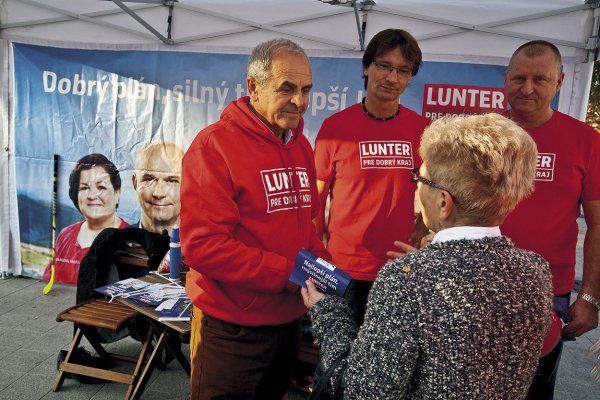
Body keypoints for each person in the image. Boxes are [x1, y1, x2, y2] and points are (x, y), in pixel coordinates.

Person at [303, 113, 554, 399]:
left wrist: (327, 310)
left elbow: (364, 391)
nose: (417, 186)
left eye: (421, 178)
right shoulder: (536, 271)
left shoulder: (407, 280)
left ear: (444, 202)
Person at [180, 38, 329, 399]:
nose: (300, 101)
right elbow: (203, 247)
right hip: (232, 329)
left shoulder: (300, 145)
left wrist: (326, 271)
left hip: (288, 324)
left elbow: (304, 229)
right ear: (253, 87)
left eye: (306, 89)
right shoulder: (214, 146)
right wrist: (289, 274)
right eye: (287, 88)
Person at [501, 40, 600, 399]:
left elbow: (598, 224)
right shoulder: (482, 134)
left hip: (546, 295)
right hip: (477, 286)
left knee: (533, 390)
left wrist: (588, 296)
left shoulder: (585, 140)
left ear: (559, 81)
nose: (528, 88)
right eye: (519, 78)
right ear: (505, 80)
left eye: (540, 79)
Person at [313, 28, 429, 327]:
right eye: (384, 66)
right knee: (337, 357)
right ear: (367, 67)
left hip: (399, 269)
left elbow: (443, 186)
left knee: (386, 366)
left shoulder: (422, 130)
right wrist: (315, 259)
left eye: (402, 70)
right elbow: (315, 199)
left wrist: (422, 225)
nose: (392, 78)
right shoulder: (335, 127)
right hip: (342, 269)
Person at [42, 153, 127, 284]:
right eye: (84, 188)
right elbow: (51, 276)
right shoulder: (66, 234)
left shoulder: (127, 235)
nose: (92, 195)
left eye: (101, 187)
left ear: (117, 193)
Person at [131, 141, 183, 235]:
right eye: (149, 179)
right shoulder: (116, 245)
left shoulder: (207, 246)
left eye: (172, 181)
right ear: (135, 183)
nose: (159, 194)